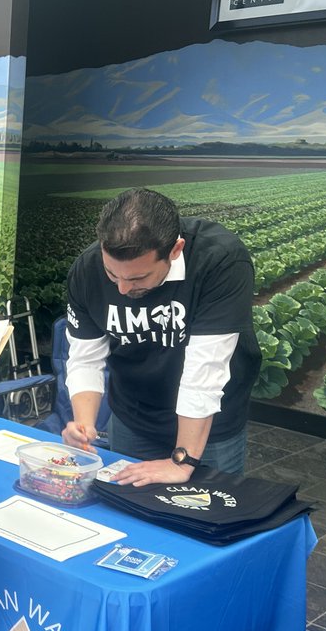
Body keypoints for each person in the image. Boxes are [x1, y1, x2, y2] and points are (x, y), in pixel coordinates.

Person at [62, 187, 261, 483]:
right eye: (112, 274)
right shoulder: (87, 269)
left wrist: (183, 461)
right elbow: (85, 358)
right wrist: (83, 424)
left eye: (138, 277)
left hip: (209, 425)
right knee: (129, 507)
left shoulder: (220, 261)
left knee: (206, 518)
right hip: (133, 415)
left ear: (175, 250)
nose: (122, 289)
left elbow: (204, 372)